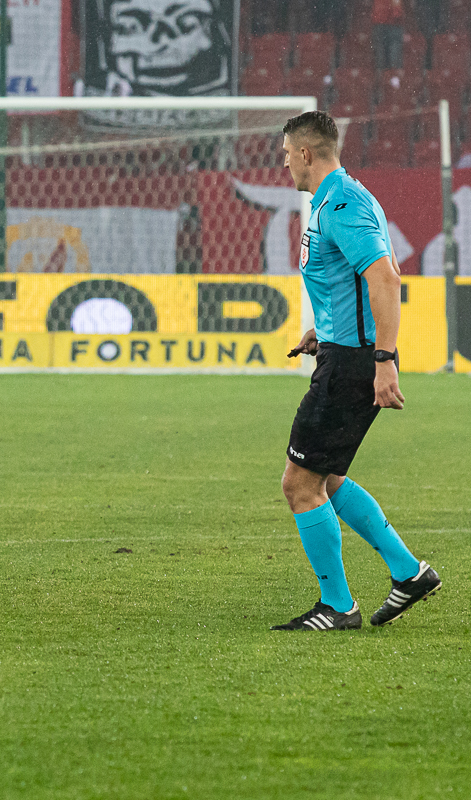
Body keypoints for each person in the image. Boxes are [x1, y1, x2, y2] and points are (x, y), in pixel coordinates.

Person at [274, 111, 441, 632]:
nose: (284, 163)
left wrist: (383, 361)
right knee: (330, 476)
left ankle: (338, 606)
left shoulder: (341, 204)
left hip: (352, 365)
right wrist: (323, 333)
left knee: (300, 483)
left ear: (305, 153)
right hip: (343, 352)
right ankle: (408, 573)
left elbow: (385, 279)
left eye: (286, 154)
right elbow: (351, 282)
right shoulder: (337, 199)